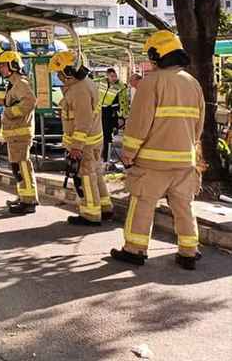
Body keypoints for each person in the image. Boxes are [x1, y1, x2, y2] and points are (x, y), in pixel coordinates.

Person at [111, 31, 205, 270]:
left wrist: (129, 153)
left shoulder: (152, 82)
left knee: (142, 204)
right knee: (184, 207)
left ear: (156, 55)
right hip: (185, 161)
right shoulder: (193, 83)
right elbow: (199, 124)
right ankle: (189, 251)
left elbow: (139, 121)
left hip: (152, 163)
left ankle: (135, 249)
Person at [49, 51, 114, 226]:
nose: (59, 76)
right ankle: (105, 207)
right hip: (93, 139)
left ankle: (91, 214)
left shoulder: (79, 90)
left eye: (59, 72)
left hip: (84, 143)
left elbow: (83, 120)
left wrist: (76, 146)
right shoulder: (85, 84)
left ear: (69, 71)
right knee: (96, 173)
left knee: (85, 176)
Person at [0, 51, 38, 214]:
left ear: (13, 65)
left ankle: (29, 201)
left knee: (22, 167)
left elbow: (30, 102)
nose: (1, 69)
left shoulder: (21, 83)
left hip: (21, 134)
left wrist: (9, 113)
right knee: (18, 167)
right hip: (15, 134)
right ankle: (24, 196)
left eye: (3, 65)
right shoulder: (14, 83)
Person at [98, 68, 128, 163]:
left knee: (107, 136)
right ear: (107, 76)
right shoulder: (101, 82)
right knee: (99, 135)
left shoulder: (121, 86)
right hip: (100, 111)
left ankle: (106, 158)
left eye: (115, 76)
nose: (114, 78)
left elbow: (124, 102)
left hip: (111, 113)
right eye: (112, 76)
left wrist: (121, 117)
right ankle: (101, 156)